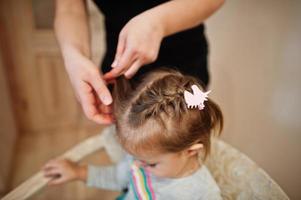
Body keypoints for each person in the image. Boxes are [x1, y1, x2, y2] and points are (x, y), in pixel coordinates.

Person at [43, 68, 223, 199]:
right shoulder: (144, 157)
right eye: (135, 158)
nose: (138, 165)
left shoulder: (202, 193)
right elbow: (119, 177)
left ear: (190, 151)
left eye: (151, 164)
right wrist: (77, 172)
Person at [54, 0, 225, 124]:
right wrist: (74, 54)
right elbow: (69, 7)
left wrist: (159, 22)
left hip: (183, 60)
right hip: (121, 69)